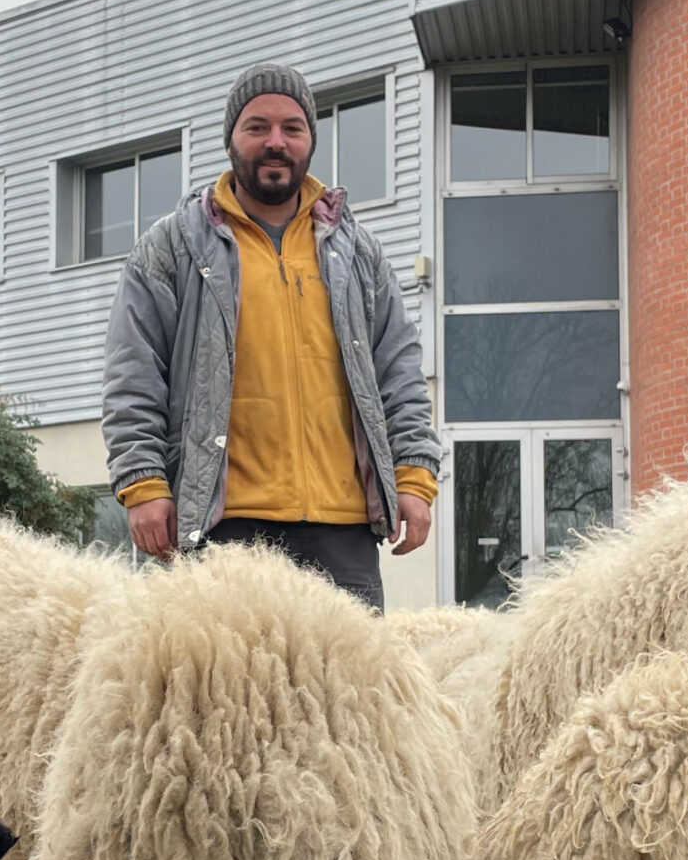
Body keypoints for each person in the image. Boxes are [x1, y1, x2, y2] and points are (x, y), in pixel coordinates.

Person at [102, 63, 441, 611]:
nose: (275, 142)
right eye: (257, 127)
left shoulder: (358, 252)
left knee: (349, 698)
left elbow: (398, 372)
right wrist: (144, 485)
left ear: (310, 139)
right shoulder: (171, 248)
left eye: (292, 128)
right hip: (223, 529)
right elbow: (133, 376)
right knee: (220, 696)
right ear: (231, 139)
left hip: (343, 532)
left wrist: (415, 476)